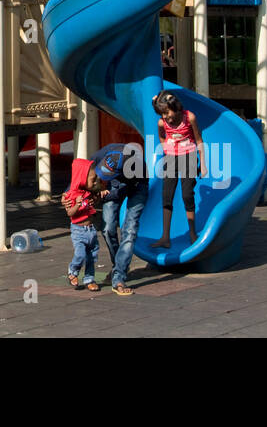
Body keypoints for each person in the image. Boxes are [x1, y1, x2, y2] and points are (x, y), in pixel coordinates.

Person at [151, 90, 207, 249]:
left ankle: (192, 233)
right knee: (166, 196)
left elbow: (198, 140)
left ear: (176, 107)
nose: (166, 117)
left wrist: (202, 164)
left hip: (188, 157)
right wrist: (165, 147)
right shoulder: (162, 122)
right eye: (162, 114)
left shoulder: (189, 117)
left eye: (167, 112)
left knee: (187, 195)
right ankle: (165, 237)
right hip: (171, 158)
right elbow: (162, 136)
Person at [93, 141, 148, 296]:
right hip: (115, 184)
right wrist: (69, 193)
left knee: (129, 231)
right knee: (107, 228)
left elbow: (121, 192)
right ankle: (118, 264)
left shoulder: (137, 166)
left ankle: (119, 277)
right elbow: (83, 173)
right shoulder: (102, 154)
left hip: (138, 186)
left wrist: (106, 195)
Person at [61, 157, 102, 291]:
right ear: (82, 177)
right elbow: (70, 213)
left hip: (91, 229)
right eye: (92, 179)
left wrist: (97, 197)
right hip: (78, 230)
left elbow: (93, 201)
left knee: (92, 256)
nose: (95, 181)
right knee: (80, 254)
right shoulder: (71, 195)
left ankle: (89, 279)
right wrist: (78, 205)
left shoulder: (88, 192)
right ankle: (73, 271)